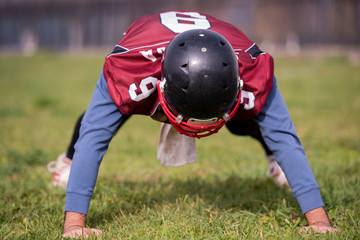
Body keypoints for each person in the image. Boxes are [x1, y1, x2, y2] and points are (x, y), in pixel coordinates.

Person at [49, 10, 337, 238]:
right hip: (150, 50)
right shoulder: (131, 68)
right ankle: (67, 164)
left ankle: (272, 159)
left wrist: (318, 220)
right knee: (109, 112)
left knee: (247, 120)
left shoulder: (252, 68)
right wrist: (74, 224)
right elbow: (94, 137)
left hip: (221, 47)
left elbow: (285, 136)